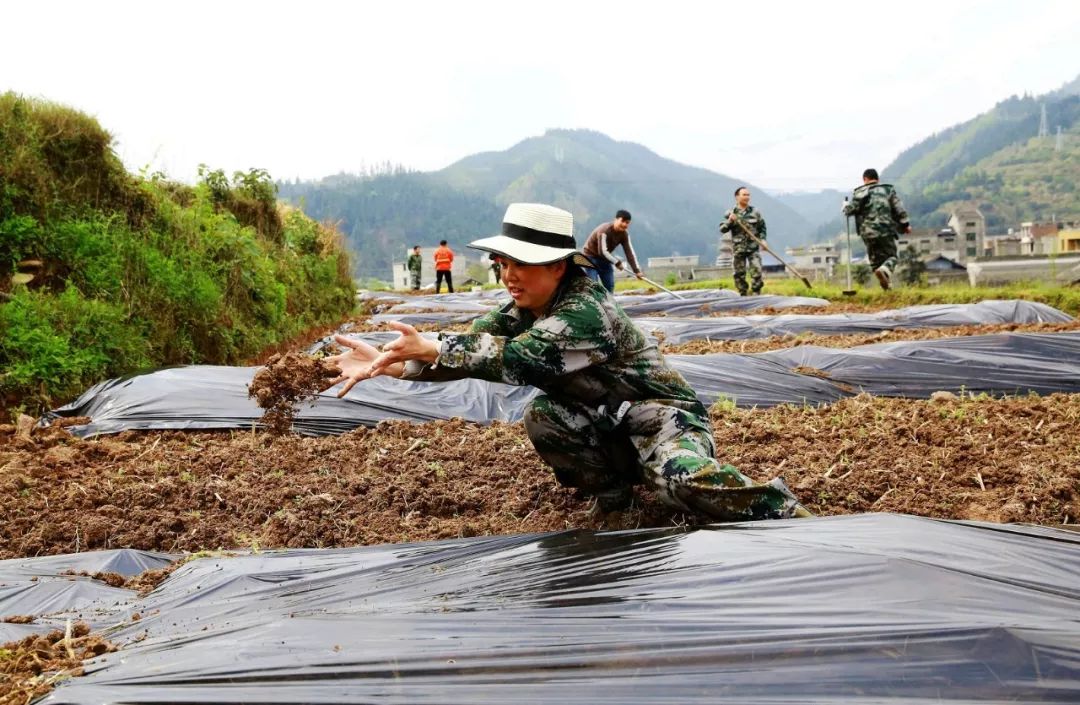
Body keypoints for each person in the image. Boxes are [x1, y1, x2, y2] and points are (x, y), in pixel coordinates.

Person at [324, 202, 809, 521]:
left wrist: (433, 348)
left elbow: (521, 359)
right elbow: (475, 344)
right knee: (545, 417)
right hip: (601, 417)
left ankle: (783, 509)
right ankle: (616, 502)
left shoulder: (586, 311)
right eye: (504, 264)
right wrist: (400, 364)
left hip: (660, 416)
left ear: (558, 266)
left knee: (681, 485)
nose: (509, 275)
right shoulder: (524, 308)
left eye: (521, 264)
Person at [843, 168, 911, 290]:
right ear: (877, 179)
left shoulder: (859, 193)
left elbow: (849, 210)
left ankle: (887, 288)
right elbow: (899, 208)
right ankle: (885, 272)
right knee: (891, 257)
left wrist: (845, 206)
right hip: (885, 229)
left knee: (875, 263)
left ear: (865, 179)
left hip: (868, 232)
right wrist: (905, 225)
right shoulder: (888, 190)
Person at [582, 209, 645, 293]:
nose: (624, 224)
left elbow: (629, 253)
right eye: (622, 221)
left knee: (610, 285)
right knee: (593, 286)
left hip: (605, 259)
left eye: (627, 223)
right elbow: (602, 252)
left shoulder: (624, 235)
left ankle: (609, 304)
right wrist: (617, 262)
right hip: (590, 258)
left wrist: (636, 271)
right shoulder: (604, 231)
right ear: (616, 219)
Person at [719, 186, 766, 296]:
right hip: (738, 249)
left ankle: (756, 294)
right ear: (737, 197)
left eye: (748, 195)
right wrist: (730, 221)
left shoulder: (755, 212)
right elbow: (722, 229)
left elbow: (762, 227)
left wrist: (763, 240)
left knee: (757, 271)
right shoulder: (731, 213)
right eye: (744, 195)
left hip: (753, 247)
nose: (747, 197)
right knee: (739, 274)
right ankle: (743, 294)